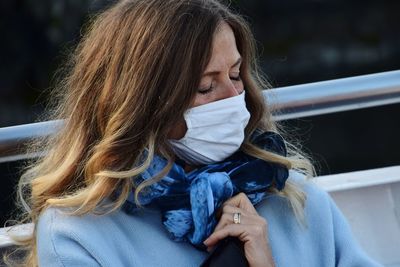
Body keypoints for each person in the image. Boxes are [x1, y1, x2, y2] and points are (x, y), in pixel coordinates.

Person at [9, 0, 381, 266]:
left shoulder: (296, 200)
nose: (235, 99)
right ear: (142, 106)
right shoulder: (81, 235)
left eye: (236, 76)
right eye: (206, 87)